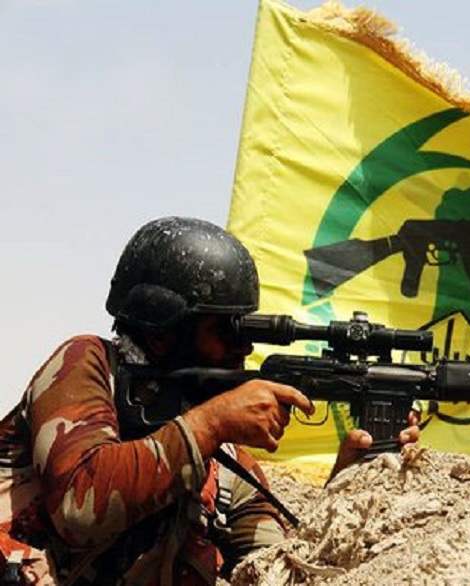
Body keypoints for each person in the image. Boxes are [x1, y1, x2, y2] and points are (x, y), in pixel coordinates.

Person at [0, 217, 419, 585]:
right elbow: (78, 509)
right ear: (163, 334)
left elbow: (277, 570)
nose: (244, 347)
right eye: (225, 330)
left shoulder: (226, 468)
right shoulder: (87, 365)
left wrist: (347, 481)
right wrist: (212, 423)